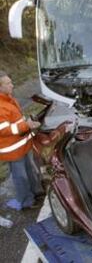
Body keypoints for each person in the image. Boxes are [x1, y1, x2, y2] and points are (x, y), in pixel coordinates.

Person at [0, 71, 42, 210]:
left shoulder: (8, 99)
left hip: (22, 144)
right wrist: (26, 125)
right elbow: (3, 129)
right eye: (8, 83)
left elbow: (16, 120)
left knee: (30, 171)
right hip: (13, 150)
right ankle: (26, 202)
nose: (12, 85)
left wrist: (29, 123)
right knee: (21, 177)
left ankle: (37, 193)